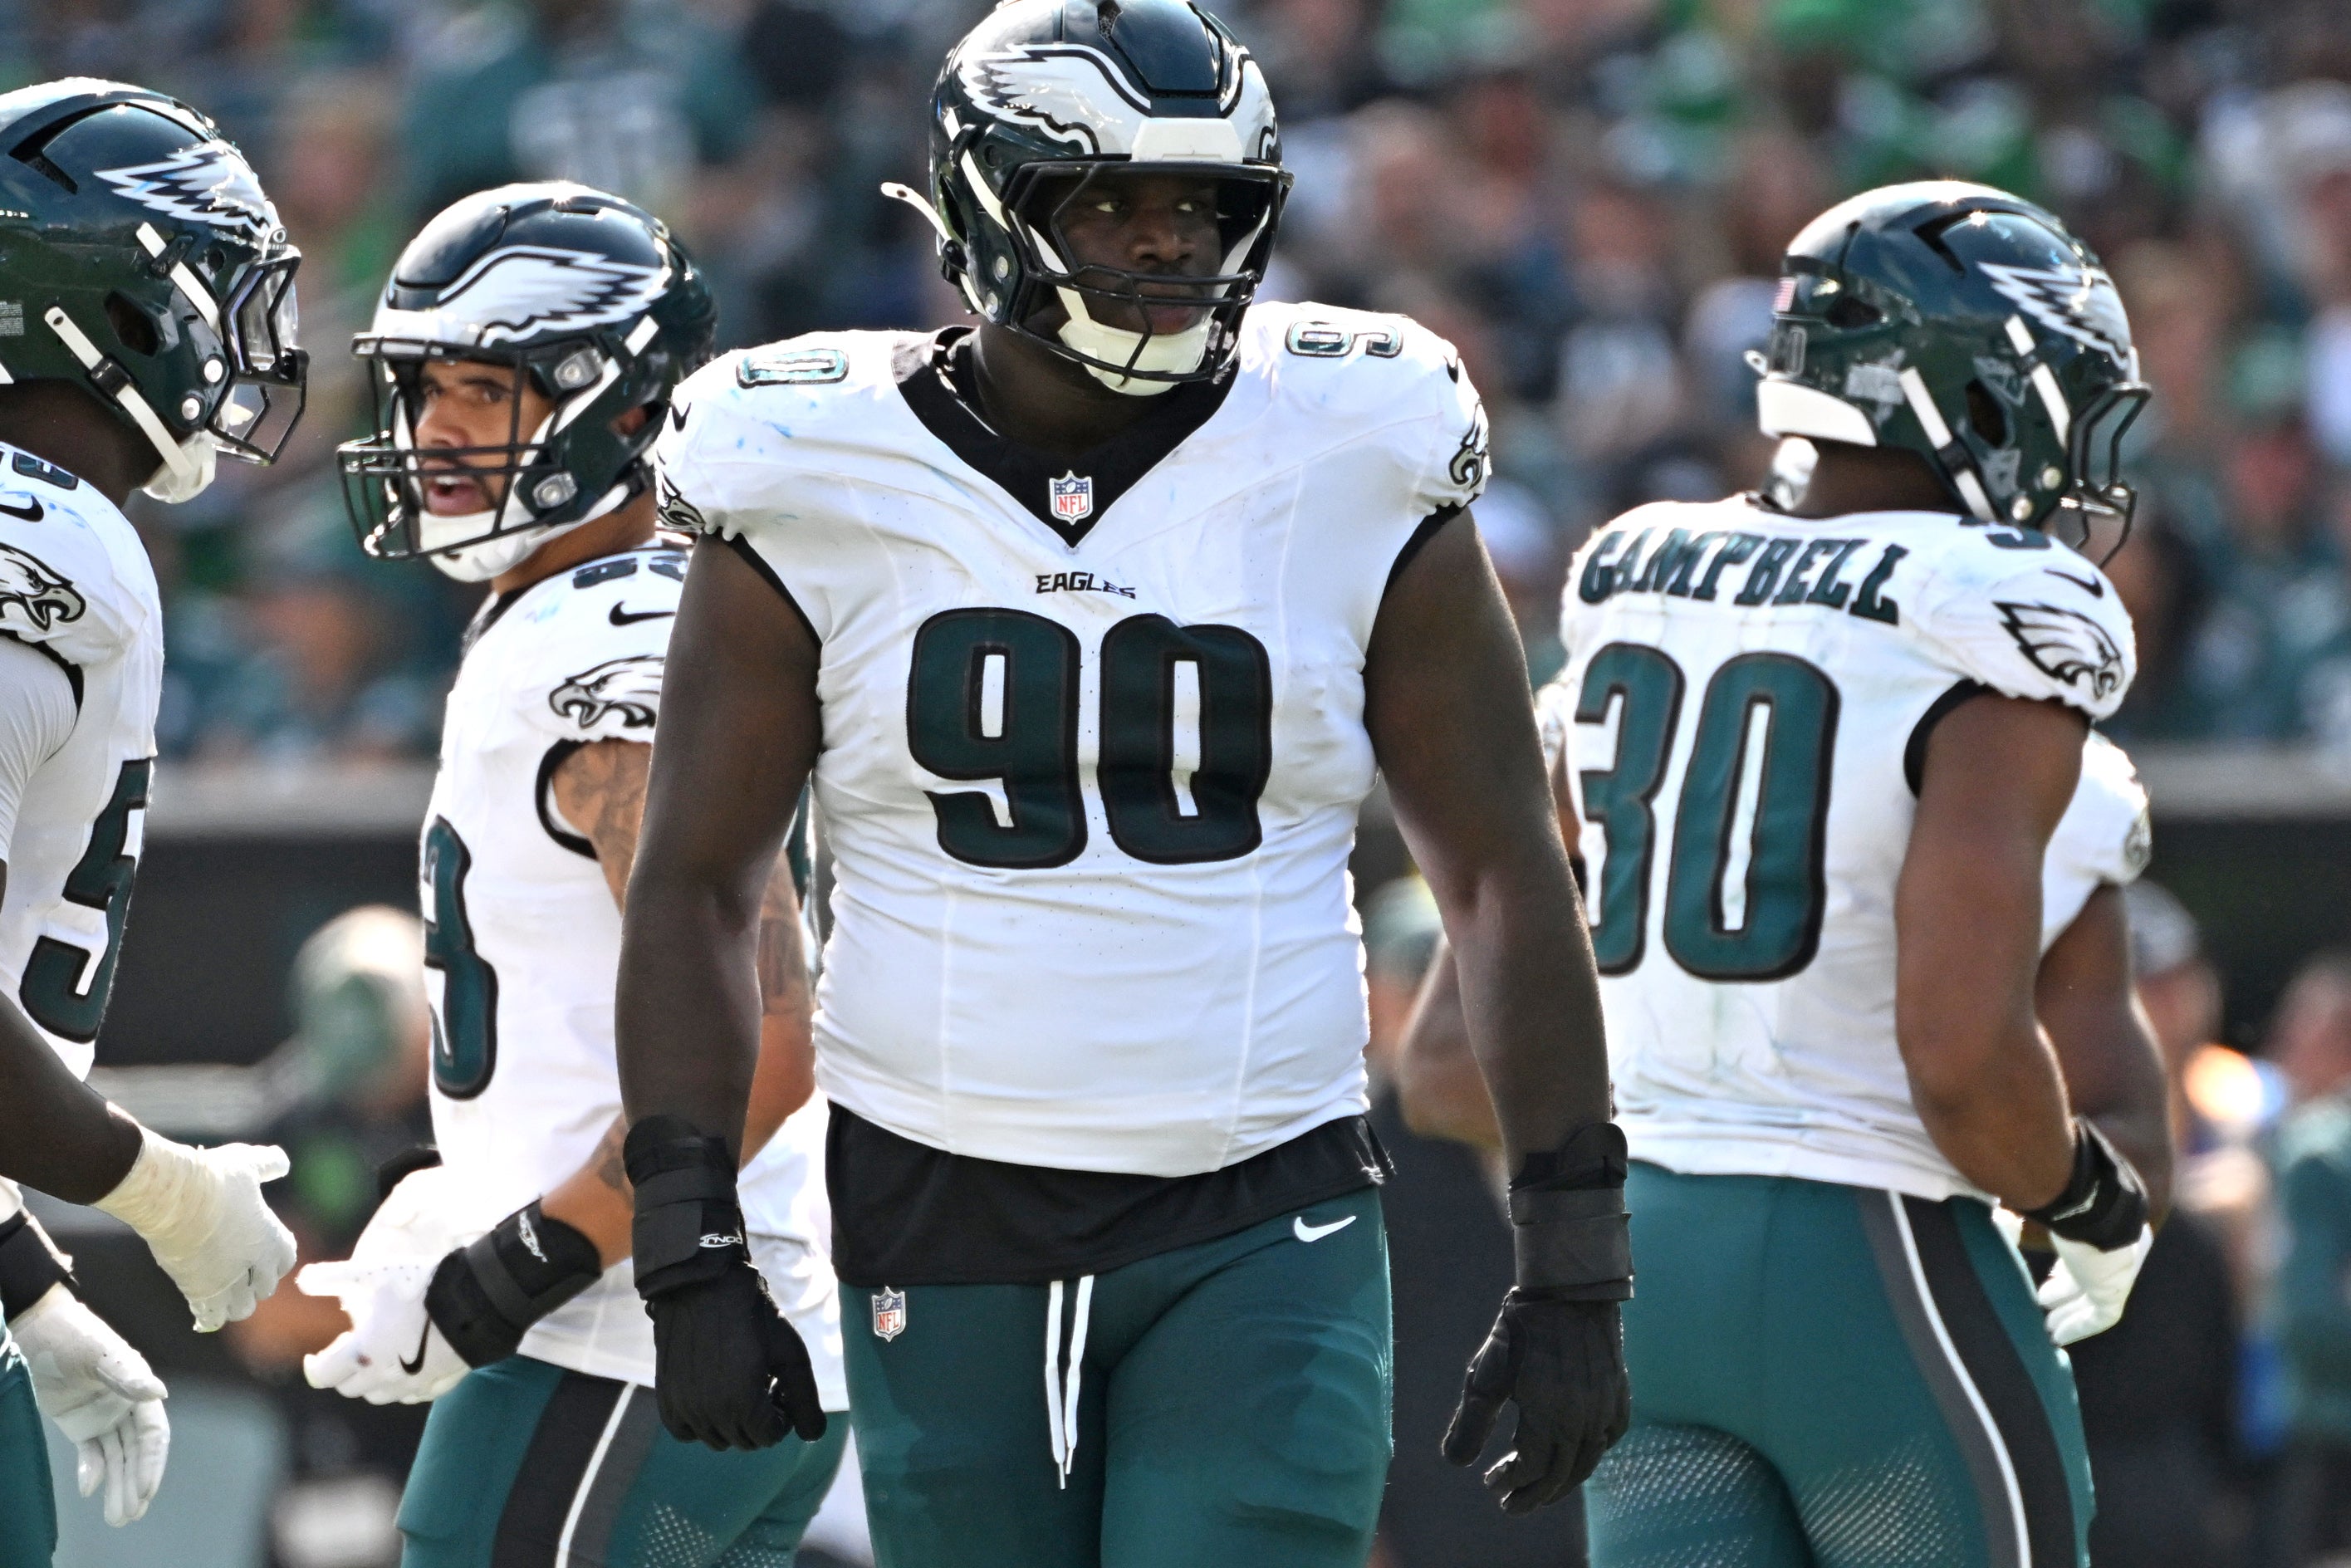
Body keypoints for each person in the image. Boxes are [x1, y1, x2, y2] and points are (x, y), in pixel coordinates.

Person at [615, 2, 1629, 1563]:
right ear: (983, 206)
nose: (1166, 245)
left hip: (1260, 1203)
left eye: (1202, 207)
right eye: (1111, 202)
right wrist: (688, 1243)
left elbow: (1499, 870)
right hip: (936, 1204)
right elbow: (697, 883)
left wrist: (1574, 1253)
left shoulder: (1354, 436)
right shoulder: (808, 458)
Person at [1408, 181, 2172, 1566]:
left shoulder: (1641, 578)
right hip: (1869, 1263)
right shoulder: (1989, 616)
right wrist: (2089, 1201)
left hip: (1635, 1269)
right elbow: (1958, 1058)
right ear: (1980, 391)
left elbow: (1446, 1058)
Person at [310, 182, 850, 1567]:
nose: (434, 432)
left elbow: (769, 1036)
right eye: (425, 390)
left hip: (630, 1334)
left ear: (620, 412)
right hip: (693, 1324)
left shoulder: (597, 645)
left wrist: (529, 1259)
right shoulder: (582, 616)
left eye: (484, 394)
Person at [0, 80, 311, 1560]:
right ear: (104, 300)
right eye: (208, 286)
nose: (233, 343)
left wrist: (21, 1281)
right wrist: (155, 1187)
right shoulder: (47, 539)